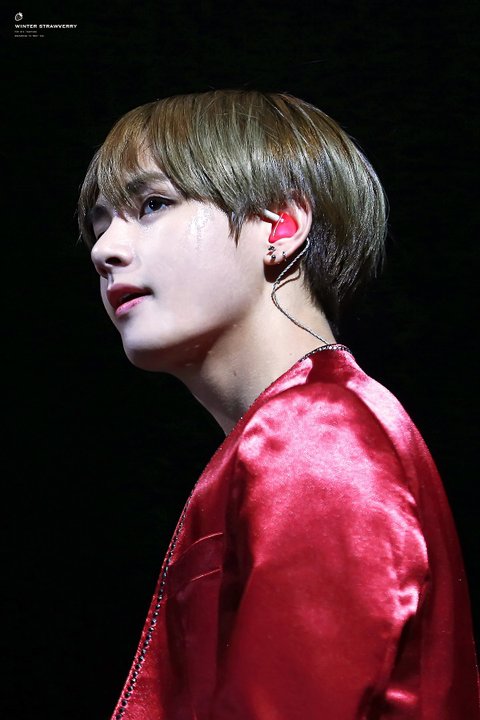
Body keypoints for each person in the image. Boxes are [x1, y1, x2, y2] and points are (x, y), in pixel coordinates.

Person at [78, 89, 479, 719]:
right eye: (100, 223)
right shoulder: (304, 427)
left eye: (152, 204)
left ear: (282, 226)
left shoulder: (317, 433)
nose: (104, 250)